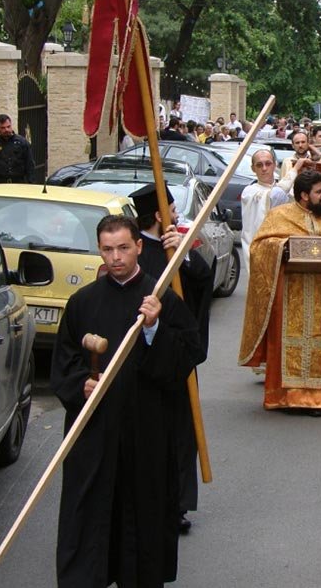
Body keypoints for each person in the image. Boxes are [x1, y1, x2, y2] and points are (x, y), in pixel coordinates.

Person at [50, 215, 202, 588]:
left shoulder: (161, 297)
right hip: (95, 433)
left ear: (138, 246)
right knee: (91, 514)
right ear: (99, 250)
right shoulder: (82, 302)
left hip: (146, 429)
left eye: (122, 248)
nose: (116, 257)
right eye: (107, 249)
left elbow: (189, 355)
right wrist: (80, 386)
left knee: (142, 516)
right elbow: (65, 359)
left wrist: (153, 329)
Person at [129, 184, 215, 535]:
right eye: (172, 208)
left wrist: (184, 256)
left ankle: (178, 504)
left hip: (178, 357)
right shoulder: (135, 254)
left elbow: (203, 280)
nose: (177, 214)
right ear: (156, 215)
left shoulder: (177, 244)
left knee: (181, 432)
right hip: (144, 360)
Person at [238, 169, 321, 414]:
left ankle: (319, 399)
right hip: (289, 294)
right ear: (304, 195)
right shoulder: (279, 215)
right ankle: (285, 397)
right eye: (319, 192)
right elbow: (259, 247)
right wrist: (282, 247)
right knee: (286, 342)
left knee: (320, 342)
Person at [240, 149, 292, 272]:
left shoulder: (288, 191)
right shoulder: (250, 191)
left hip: (285, 249)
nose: (264, 168)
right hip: (260, 249)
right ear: (253, 168)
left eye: (268, 164)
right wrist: (293, 172)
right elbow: (275, 195)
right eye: (259, 165)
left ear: (275, 165)